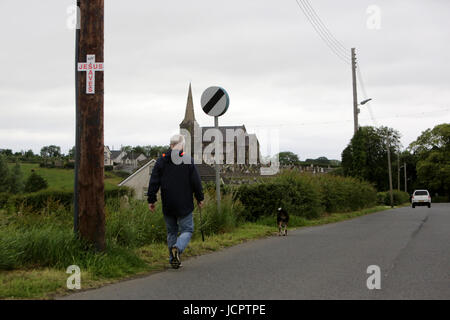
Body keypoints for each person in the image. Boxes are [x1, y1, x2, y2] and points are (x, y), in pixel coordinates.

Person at [147, 134, 204, 269]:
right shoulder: (187, 160)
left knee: (171, 232)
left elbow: (154, 181)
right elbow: (196, 181)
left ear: (170, 144)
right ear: (182, 145)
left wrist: (151, 199)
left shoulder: (161, 160)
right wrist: (200, 198)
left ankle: (173, 259)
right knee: (188, 230)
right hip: (184, 203)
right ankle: (177, 248)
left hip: (168, 203)